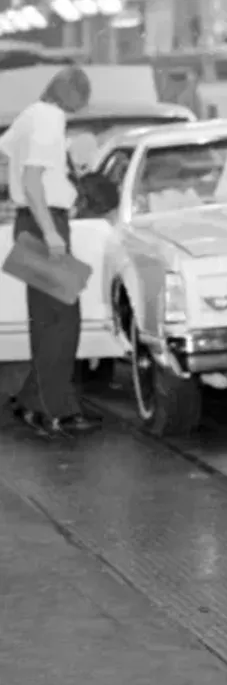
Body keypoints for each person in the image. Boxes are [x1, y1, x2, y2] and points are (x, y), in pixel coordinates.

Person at [0, 66, 101, 437]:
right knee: (62, 322)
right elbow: (31, 180)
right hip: (45, 226)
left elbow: (6, 151)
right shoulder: (50, 119)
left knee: (48, 320)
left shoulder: (31, 114)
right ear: (74, 95)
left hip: (30, 223)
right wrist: (51, 232)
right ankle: (55, 411)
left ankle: (32, 402)